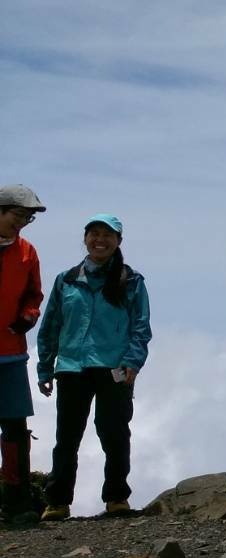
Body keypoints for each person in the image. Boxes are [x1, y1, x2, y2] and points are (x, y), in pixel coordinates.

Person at [35, 214, 151, 520]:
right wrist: (45, 368)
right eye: (94, 234)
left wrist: (133, 363)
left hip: (115, 366)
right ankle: (57, 502)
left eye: (107, 235)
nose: (100, 240)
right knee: (67, 436)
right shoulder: (67, 279)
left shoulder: (132, 281)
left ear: (118, 242)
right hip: (72, 367)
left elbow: (141, 328)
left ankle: (116, 498)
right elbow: (51, 326)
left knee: (114, 433)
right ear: (85, 239)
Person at [0, 185, 46, 524]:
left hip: (12, 355)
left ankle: (17, 505)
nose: (24, 223)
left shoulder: (27, 251)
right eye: (19, 215)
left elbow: (34, 295)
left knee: (16, 431)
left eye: (27, 218)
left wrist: (29, 317)